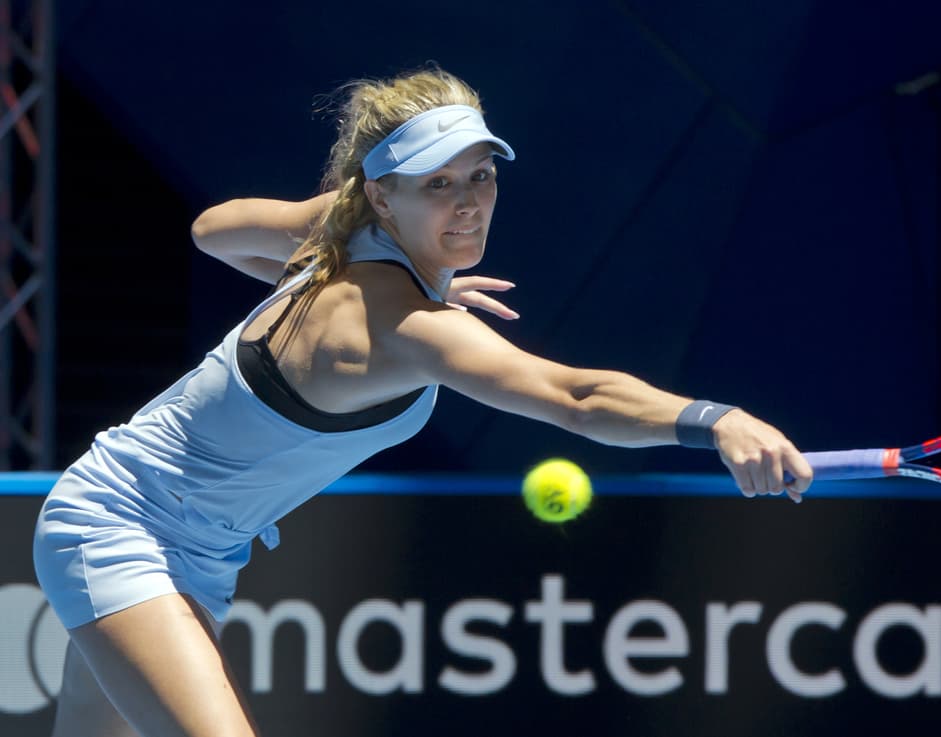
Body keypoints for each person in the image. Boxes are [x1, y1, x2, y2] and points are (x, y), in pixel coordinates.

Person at [32, 65, 813, 737]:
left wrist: (339, 245)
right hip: (119, 526)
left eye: (481, 175)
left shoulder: (340, 239)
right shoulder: (412, 328)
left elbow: (212, 230)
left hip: (191, 549)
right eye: (438, 184)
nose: (469, 202)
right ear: (380, 194)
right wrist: (717, 419)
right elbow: (573, 396)